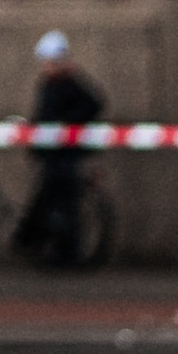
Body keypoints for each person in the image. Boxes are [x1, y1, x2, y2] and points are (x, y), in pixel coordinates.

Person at [28, 30, 106, 268]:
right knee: (50, 199)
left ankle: (66, 254)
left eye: (49, 62)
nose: (46, 67)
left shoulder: (70, 83)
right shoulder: (50, 84)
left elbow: (93, 104)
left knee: (64, 204)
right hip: (53, 152)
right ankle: (45, 245)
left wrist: (67, 126)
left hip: (65, 154)